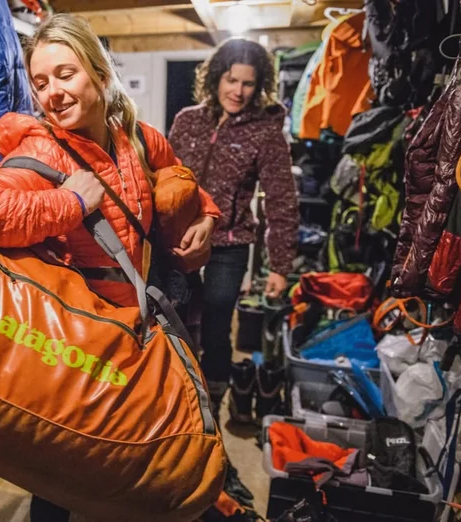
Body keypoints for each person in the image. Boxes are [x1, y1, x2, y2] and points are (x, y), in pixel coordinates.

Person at [0, 13, 221, 522]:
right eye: (40, 82)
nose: (52, 93)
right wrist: (70, 203)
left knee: (142, 452)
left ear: (100, 75)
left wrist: (207, 218)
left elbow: (179, 178)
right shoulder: (41, 151)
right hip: (81, 341)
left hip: (143, 329)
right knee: (65, 464)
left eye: (65, 74)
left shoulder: (138, 138)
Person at [168, 38, 298, 423]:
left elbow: (281, 199)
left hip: (229, 243)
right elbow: (165, 176)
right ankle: (176, 395)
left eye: (247, 83)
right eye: (231, 80)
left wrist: (280, 266)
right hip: (180, 238)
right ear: (215, 78)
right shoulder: (187, 120)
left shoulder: (266, 132)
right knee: (174, 316)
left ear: (259, 86)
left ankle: (213, 403)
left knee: (216, 322)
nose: (238, 91)